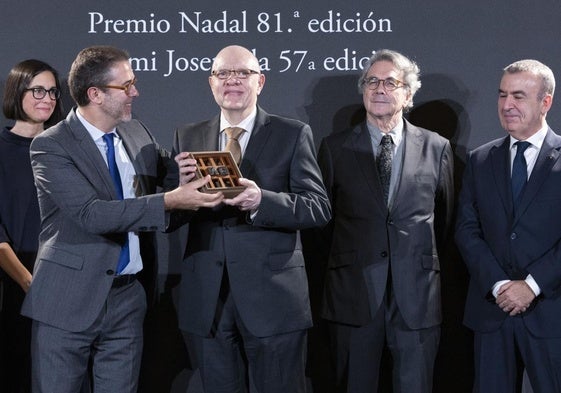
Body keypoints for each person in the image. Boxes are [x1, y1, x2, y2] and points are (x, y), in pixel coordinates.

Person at [20, 45, 224, 393]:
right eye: (126, 85)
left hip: (128, 299)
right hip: (67, 300)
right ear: (95, 94)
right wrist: (170, 200)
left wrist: (187, 175)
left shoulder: (136, 133)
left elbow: (169, 183)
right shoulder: (50, 146)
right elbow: (91, 214)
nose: (135, 92)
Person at [171, 44, 331, 393]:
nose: (232, 80)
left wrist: (262, 201)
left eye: (242, 72)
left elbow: (318, 206)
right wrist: (182, 197)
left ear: (260, 81)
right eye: (223, 73)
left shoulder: (292, 133)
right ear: (210, 83)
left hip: (273, 299)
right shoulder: (188, 135)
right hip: (209, 300)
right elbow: (170, 217)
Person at [316, 49, 454, 393]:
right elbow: (320, 223)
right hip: (353, 296)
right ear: (363, 90)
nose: (379, 89)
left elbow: (447, 220)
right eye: (372, 82)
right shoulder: (334, 148)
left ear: (408, 94)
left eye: (390, 82)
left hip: (417, 299)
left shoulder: (437, 148)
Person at [455, 59, 561, 392]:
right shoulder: (480, 159)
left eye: (518, 96)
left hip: (552, 312)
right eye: (502, 95)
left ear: (545, 102)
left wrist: (532, 284)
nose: (507, 105)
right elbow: (466, 230)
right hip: (493, 311)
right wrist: (500, 285)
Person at [0, 59, 63, 393]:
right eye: (38, 89)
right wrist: (29, 281)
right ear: (17, 91)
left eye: (52, 91)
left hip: (66, 284)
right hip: (15, 286)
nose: (47, 98)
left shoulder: (66, 148)